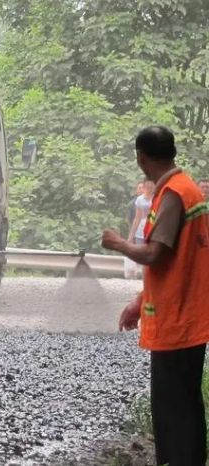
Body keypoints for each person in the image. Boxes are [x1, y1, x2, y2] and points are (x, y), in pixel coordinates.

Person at [102, 126, 209, 466]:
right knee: (185, 403)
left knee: (173, 407)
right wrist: (139, 299)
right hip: (186, 314)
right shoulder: (186, 189)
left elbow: (155, 255)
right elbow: (177, 261)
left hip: (177, 319)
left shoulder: (174, 194)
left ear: (141, 158)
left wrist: (118, 243)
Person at [127, 179, 155, 245]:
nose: (149, 189)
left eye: (151, 187)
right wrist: (131, 236)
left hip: (154, 231)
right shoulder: (140, 199)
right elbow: (137, 218)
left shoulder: (158, 197)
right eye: (148, 186)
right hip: (141, 231)